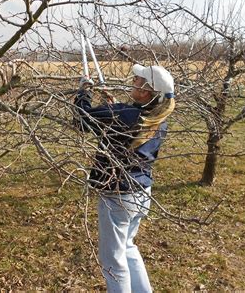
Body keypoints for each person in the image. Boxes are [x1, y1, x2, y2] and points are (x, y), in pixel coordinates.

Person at [74, 64, 175, 293]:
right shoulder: (157, 118)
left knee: (113, 261)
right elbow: (121, 126)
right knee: (127, 247)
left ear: (146, 92)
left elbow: (82, 119)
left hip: (118, 196)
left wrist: (83, 92)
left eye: (138, 80)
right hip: (141, 193)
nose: (133, 80)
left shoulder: (123, 114)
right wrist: (112, 108)